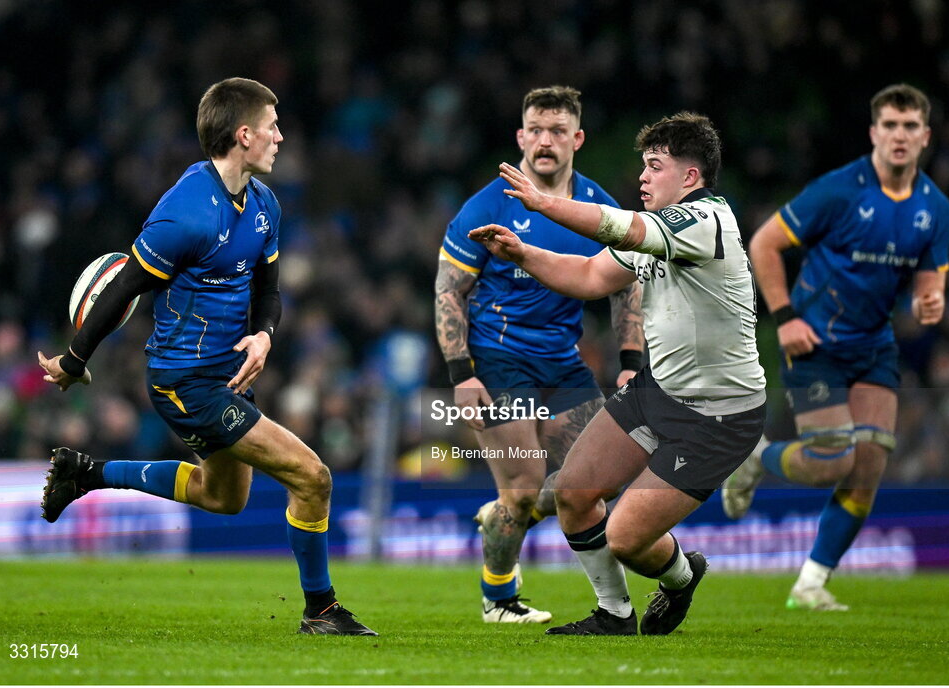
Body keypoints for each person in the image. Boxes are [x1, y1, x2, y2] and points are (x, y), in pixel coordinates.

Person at [37, 77, 375, 636]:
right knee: (313, 477)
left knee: (223, 497)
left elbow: (268, 289)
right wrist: (73, 362)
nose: (281, 137)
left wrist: (264, 334)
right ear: (244, 135)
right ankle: (321, 609)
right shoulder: (184, 215)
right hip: (184, 382)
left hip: (228, 375)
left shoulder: (264, 203)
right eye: (271, 127)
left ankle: (86, 473)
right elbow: (123, 288)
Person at [469, 111, 766, 635]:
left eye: (655, 166)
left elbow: (623, 227)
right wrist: (523, 251)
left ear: (690, 177)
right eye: (644, 167)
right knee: (574, 493)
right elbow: (589, 274)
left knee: (627, 539)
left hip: (718, 416)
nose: (644, 178)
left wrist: (543, 203)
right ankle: (614, 615)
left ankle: (680, 576)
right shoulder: (662, 234)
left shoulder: (704, 221)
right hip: (658, 392)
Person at [721, 83, 949, 611]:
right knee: (831, 460)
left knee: (868, 466)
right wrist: (783, 320)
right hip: (814, 342)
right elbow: (764, 243)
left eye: (910, 126)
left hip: (874, 347)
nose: (899, 135)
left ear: (925, 136)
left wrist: (930, 301)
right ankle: (754, 460)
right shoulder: (839, 190)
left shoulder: (934, 207)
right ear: (874, 133)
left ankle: (811, 584)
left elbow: (928, 281)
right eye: (890, 125)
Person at [434, 85, 644, 623]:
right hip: (497, 359)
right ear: (521, 137)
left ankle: (503, 516)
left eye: (558, 131)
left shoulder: (597, 208)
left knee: (599, 475)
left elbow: (626, 286)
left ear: (577, 138)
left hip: (563, 360)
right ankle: (499, 599)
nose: (545, 141)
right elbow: (448, 291)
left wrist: (630, 363)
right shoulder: (486, 205)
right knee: (525, 485)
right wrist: (461, 375)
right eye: (536, 130)